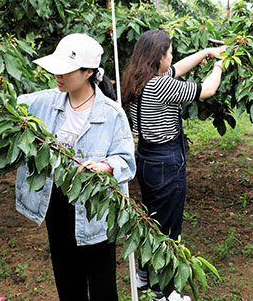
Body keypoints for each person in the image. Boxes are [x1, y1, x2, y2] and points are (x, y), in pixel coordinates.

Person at [15, 34, 136, 301]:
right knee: (67, 279)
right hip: (57, 205)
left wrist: (105, 166)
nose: (57, 75)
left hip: (95, 209)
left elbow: (126, 160)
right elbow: (10, 110)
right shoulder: (43, 102)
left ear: (88, 72)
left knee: (102, 282)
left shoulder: (111, 113)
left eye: (66, 70)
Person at [121, 29, 227, 301]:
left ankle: (145, 274)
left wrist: (205, 53)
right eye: (169, 53)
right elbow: (209, 89)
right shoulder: (161, 86)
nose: (173, 57)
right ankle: (164, 292)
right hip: (166, 161)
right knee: (168, 229)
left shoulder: (138, 79)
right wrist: (219, 64)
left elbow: (177, 69)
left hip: (145, 156)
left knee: (151, 221)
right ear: (158, 58)